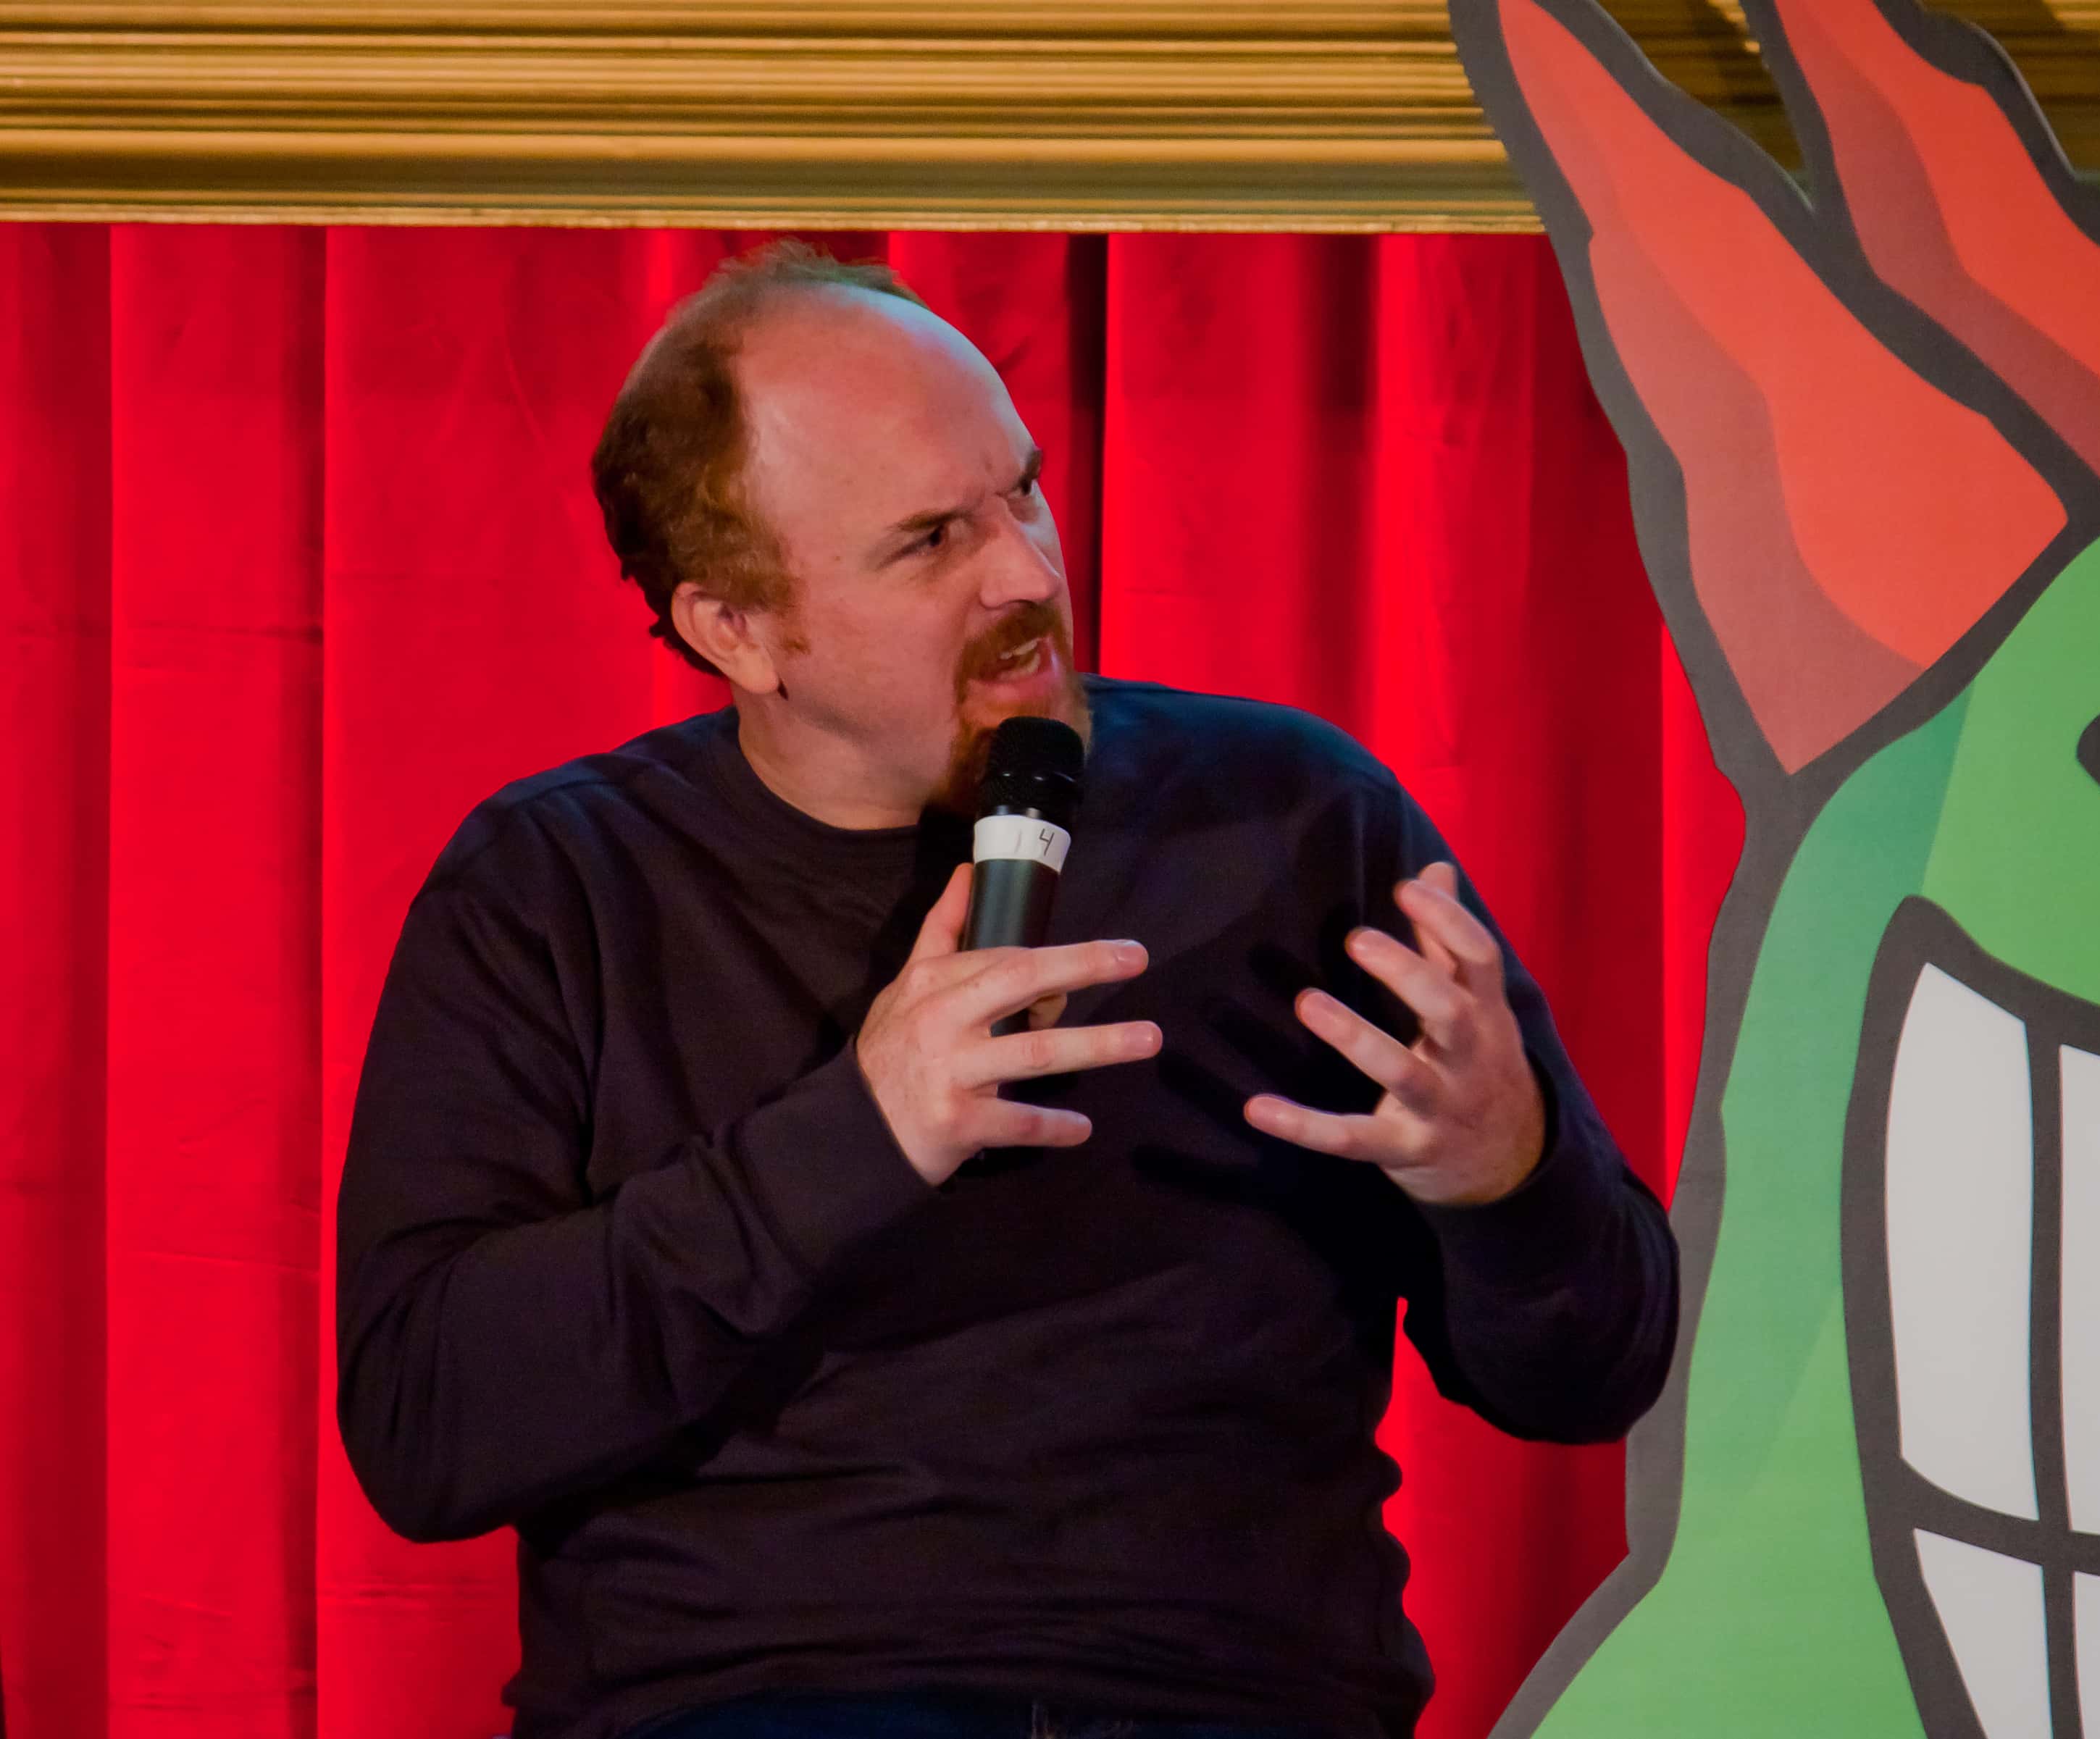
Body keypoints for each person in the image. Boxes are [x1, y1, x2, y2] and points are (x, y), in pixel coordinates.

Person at [334, 244, 1678, 1739]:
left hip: (1228, 1697)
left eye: (1021, 491)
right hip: (757, 1702)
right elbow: (426, 1425)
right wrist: (856, 1134)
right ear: (737, 629)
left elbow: (1594, 1370)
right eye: (926, 542)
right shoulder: (557, 886)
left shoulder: (1294, 821)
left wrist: (1512, 1178)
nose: (1032, 573)